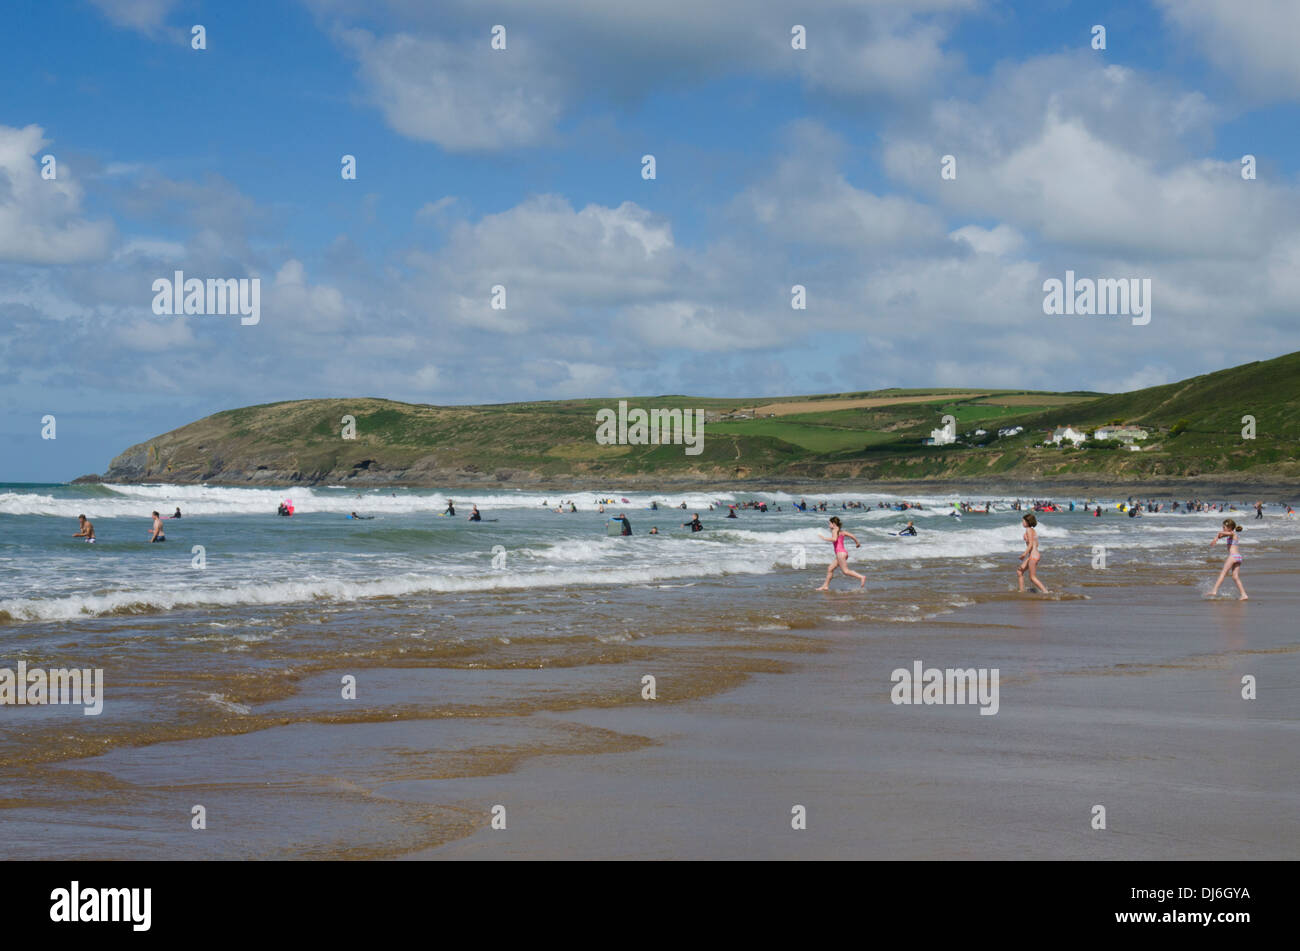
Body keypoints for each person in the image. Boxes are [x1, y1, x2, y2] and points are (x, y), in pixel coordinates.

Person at [816, 516, 865, 590]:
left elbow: (834, 539)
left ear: (834, 524)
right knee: (830, 569)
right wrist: (857, 543)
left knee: (845, 571)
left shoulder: (834, 530)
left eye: (830, 523)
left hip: (840, 554)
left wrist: (823, 538)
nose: (829, 525)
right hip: (843, 553)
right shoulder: (842, 532)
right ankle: (825, 586)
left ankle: (861, 577)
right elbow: (852, 536)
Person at [1209, 519, 1248, 599]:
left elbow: (1221, 533)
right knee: (1235, 576)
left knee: (1223, 573)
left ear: (1230, 527)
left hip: (1233, 556)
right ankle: (1244, 594)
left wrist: (1217, 536)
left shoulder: (1233, 534)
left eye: (1224, 527)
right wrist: (1217, 538)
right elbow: (1221, 535)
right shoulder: (1231, 534)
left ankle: (1214, 591)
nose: (1222, 529)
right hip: (1238, 557)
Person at [1017, 513, 1048, 593]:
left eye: (1023, 521)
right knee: (1019, 571)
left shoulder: (1028, 530)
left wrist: (1024, 554)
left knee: (1032, 577)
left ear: (1028, 522)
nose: (1022, 522)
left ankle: (1046, 592)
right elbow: (1036, 544)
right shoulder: (1032, 530)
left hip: (1033, 555)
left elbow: (1030, 544)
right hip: (1033, 554)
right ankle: (1021, 591)